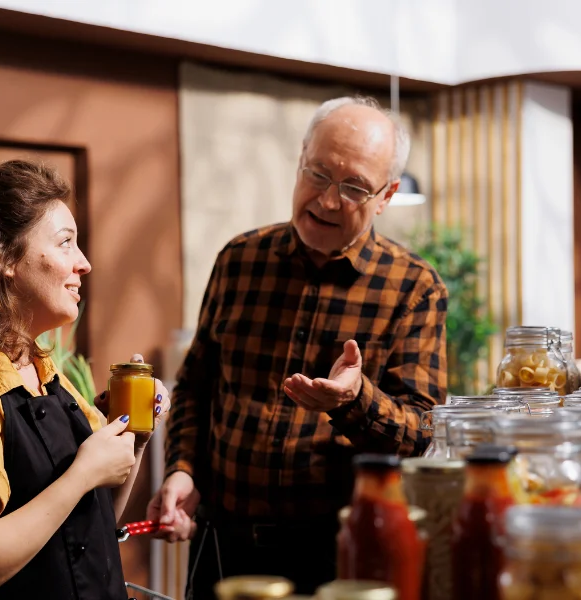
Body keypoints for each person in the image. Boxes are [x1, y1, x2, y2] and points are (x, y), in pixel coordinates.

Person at [148, 96, 448, 597]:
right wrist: (182, 470)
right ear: (301, 159)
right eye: (318, 174)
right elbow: (197, 386)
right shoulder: (239, 260)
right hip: (223, 544)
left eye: (353, 187)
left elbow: (423, 432)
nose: (328, 200)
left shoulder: (414, 288)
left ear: (387, 195)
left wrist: (355, 401)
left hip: (338, 555)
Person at [0, 159, 170, 600]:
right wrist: (81, 474)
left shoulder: (44, 372)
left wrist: (130, 440)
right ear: (3, 257)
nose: (85, 264)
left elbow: (89, 525)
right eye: (65, 243)